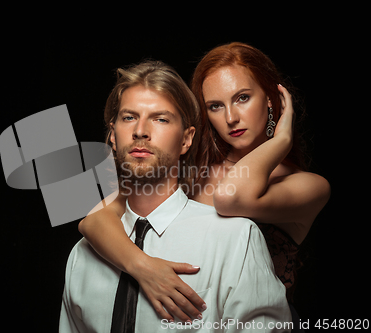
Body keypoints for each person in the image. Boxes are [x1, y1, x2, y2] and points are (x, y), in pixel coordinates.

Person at [78, 42, 331, 326]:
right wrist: (143, 267)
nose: (231, 117)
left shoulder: (308, 185)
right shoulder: (191, 171)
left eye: (243, 98)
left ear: (272, 99)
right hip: (180, 319)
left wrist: (281, 141)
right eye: (215, 106)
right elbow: (94, 220)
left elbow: (231, 198)